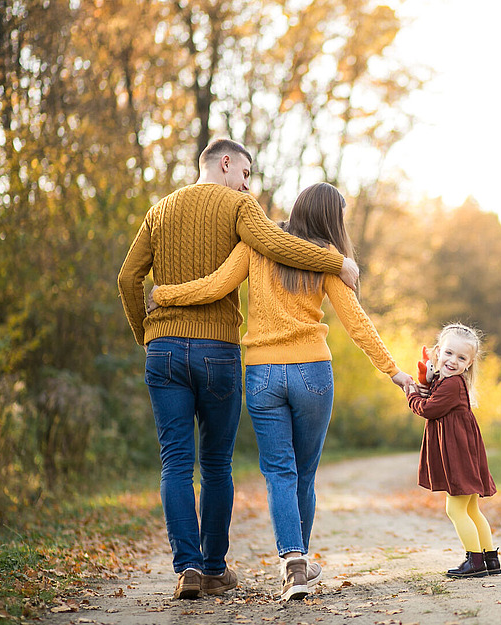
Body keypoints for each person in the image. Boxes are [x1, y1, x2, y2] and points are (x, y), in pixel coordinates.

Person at [117, 139, 361, 601]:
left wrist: (144, 336)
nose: (248, 182)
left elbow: (128, 278)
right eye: (246, 172)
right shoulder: (239, 205)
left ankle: (186, 566)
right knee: (214, 464)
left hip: (163, 349)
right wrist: (337, 261)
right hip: (218, 349)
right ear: (226, 164)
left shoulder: (160, 210)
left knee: (174, 462)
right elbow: (278, 243)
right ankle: (213, 567)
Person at [149, 182, 414, 601]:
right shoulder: (326, 259)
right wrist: (393, 371)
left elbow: (215, 286)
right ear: (330, 218)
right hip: (313, 372)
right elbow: (357, 322)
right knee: (303, 475)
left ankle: (293, 559)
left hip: (262, 374)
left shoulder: (257, 245)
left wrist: (165, 294)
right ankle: (298, 566)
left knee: (279, 473)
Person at [406, 323, 500, 578]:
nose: (452, 360)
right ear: (438, 352)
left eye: (461, 358)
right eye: (448, 353)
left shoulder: (451, 385)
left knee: (455, 509)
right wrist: (426, 379)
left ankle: (475, 561)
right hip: (465, 452)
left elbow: (428, 409)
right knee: (471, 509)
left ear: (469, 363)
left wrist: (412, 395)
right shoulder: (447, 382)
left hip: (458, 455)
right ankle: (490, 559)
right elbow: (433, 388)